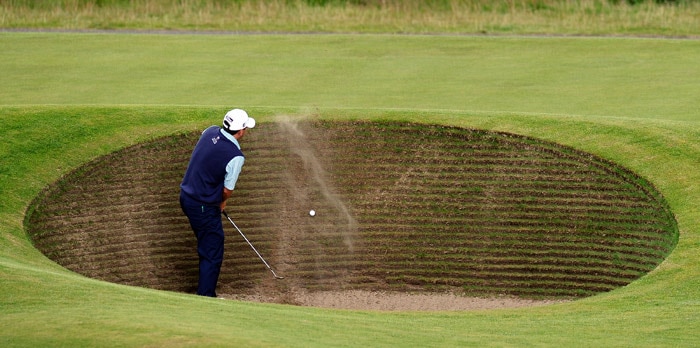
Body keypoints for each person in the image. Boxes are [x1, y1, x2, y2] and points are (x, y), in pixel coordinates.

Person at [179, 108, 255, 297]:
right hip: (203, 205)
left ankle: (205, 291)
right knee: (212, 250)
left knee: (208, 244)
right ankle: (205, 296)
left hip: (186, 196)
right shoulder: (235, 156)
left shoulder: (210, 131)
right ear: (241, 131)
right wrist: (221, 202)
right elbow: (227, 190)